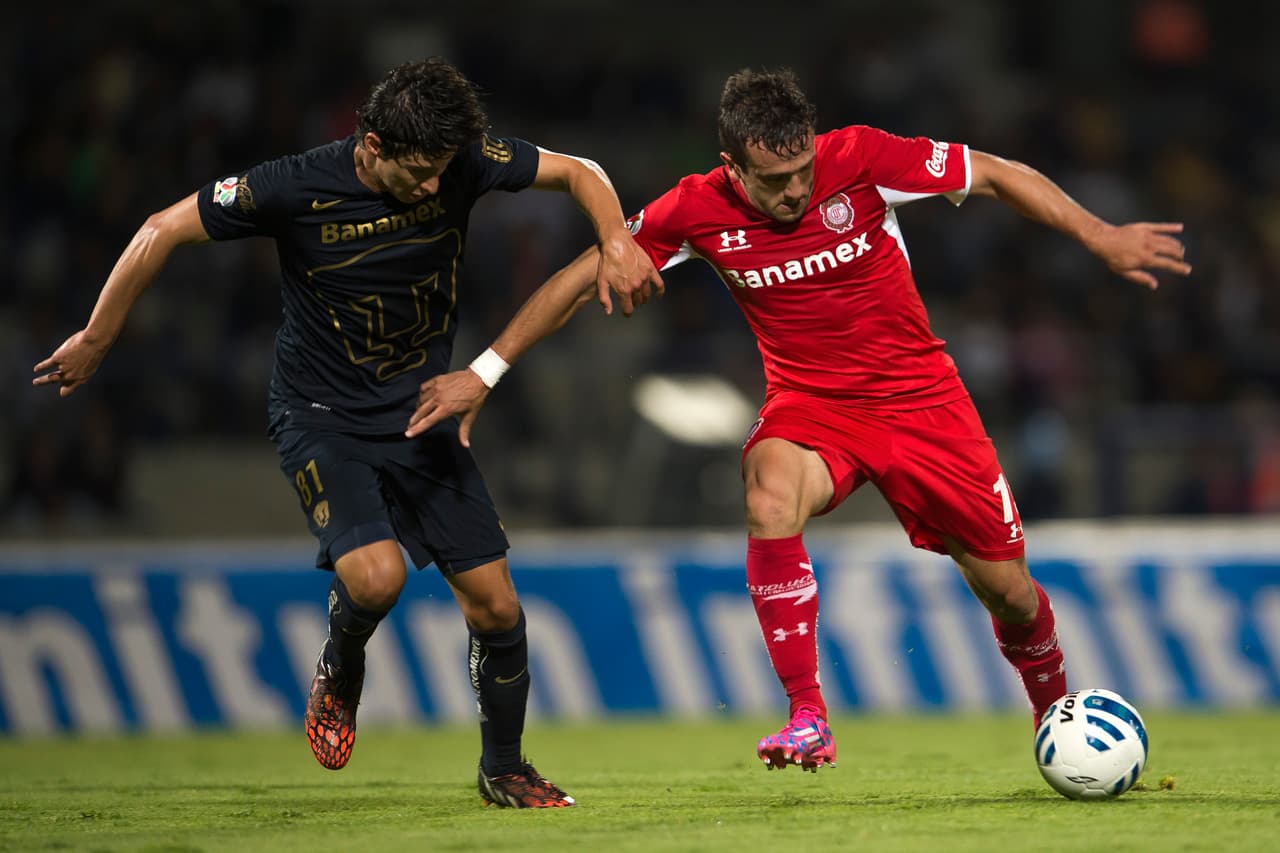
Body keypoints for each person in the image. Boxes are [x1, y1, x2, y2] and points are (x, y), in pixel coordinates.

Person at [405, 67, 1192, 773]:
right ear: (732, 167)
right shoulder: (696, 208)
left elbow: (992, 173)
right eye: (776, 180)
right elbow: (582, 277)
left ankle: (1054, 708)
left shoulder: (863, 157)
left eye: (803, 170)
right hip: (812, 406)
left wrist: (1100, 235)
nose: (796, 191)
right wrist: (484, 371)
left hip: (923, 403)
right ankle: (808, 715)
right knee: (768, 491)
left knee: (1011, 594)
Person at [32, 57, 662, 807]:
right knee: (376, 577)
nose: (434, 187)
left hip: (423, 409)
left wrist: (615, 241)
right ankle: (341, 660)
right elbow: (160, 228)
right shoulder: (290, 184)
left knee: (497, 607)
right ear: (369, 145)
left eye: (441, 172)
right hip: (320, 414)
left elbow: (581, 171)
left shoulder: (463, 161)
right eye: (419, 172)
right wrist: (100, 337)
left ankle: (505, 768)